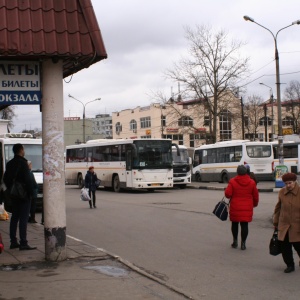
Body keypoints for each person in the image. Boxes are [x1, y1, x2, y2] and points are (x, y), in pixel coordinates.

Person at [3, 143, 37, 250]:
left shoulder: (9, 164)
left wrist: (11, 189)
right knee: (23, 219)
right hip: (24, 195)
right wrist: (31, 193)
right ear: (21, 150)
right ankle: (23, 242)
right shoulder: (24, 163)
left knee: (14, 218)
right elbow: (28, 180)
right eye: (24, 149)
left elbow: (5, 179)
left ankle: (13, 241)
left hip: (14, 195)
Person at [225, 165, 259, 250]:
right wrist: (254, 204)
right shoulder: (252, 182)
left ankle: (235, 241)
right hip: (247, 207)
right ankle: (243, 244)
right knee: (245, 225)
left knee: (234, 224)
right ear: (246, 172)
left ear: (237, 172)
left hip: (235, 206)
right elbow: (255, 196)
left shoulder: (232, 181)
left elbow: (228, 195)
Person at [273, 172, 300, 273]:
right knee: (285, 247)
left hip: (297, 224)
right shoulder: (281, 192)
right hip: (284, 224)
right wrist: (276, 222)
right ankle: (290, 265)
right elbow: (278, 208)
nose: (288, 185)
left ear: (295, 182)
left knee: (298, 246)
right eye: (286, 183)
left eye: (290, 183)